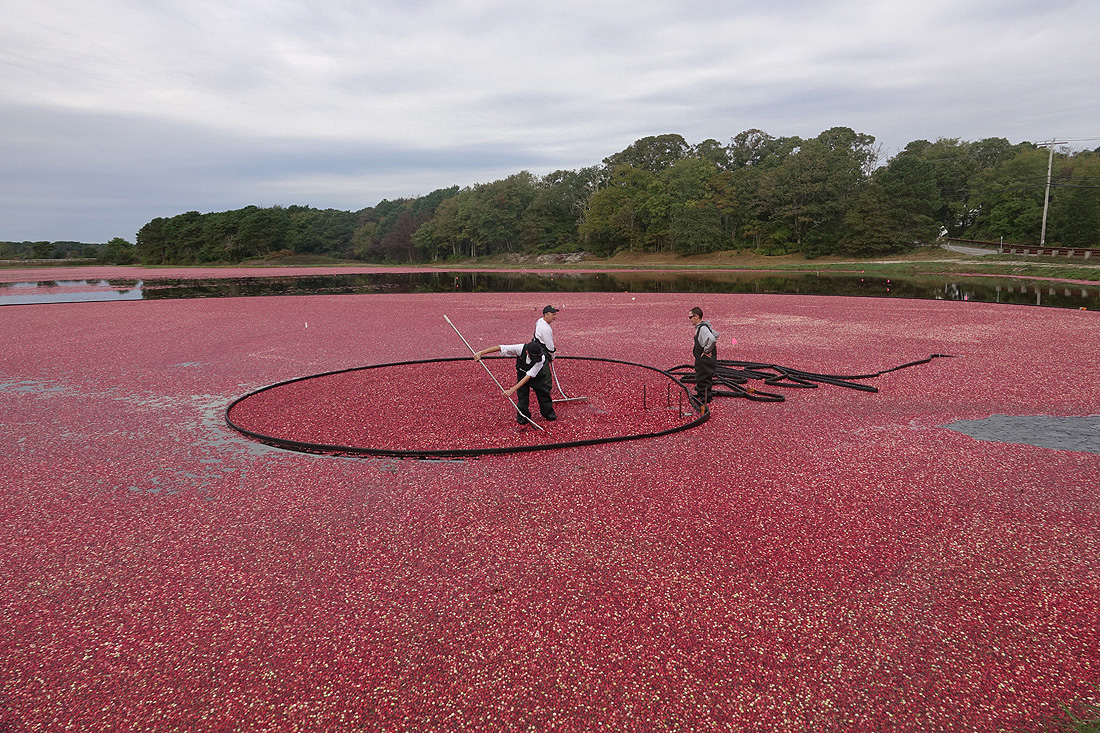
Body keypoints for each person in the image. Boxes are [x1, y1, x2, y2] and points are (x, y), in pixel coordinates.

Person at [473, 339, 557, 424]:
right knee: (522, 396)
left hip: (537, 377)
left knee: (543, 393)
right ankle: (523, 417)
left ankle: (548, 413)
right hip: (522, 373)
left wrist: (512, 390)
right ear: (527, 352)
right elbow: (500, 347)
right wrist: (481, 352)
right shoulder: (520, 348)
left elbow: (528, 377)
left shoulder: (541, 358)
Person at [689, 306, 719, 403]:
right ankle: (704, 396)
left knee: (703, 377)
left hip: (704, 360)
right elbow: (716, 334)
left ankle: (705, 399)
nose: (690, 320)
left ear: (696, 316)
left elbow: (712, 339)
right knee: (703, 377)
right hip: (703, 359)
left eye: (690, 317)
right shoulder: (704, 326)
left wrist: (706, 350)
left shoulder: (703, 328)